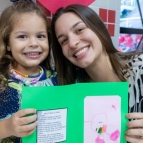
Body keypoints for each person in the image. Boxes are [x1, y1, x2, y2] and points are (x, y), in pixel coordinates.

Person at [51, 4, 143, 143]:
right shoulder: (74, 90)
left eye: (79, 30)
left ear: (98, 28)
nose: (73, 43)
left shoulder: (140, 69)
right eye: (63, 40)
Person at [0, 0, 57, 142]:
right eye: (22, 36)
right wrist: (7, 127)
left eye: (40, 36)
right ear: (8, 43)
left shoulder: (57, 79)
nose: (33, 43)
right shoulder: (1, 81)